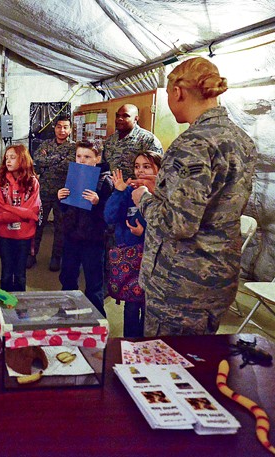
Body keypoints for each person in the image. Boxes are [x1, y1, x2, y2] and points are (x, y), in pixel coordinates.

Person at [131, 57, 256, 336]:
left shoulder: (193, 143)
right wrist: (163, 188)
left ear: (177, 92)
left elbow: (178, 224)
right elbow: (216, 201)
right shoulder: (242, 139)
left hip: (179, 286)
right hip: (215, 280)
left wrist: (143, 198)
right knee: (199, 365)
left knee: (169, 370)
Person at [104, 151, 162, 337]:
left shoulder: (164, 194)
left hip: (155, 261)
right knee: (131, 307)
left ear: (159, 169)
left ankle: (147, 346)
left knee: (149, 308)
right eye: (137, 166)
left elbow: (170, 228)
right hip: (129, 261)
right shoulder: (128, 190)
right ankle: (129, 345)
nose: (140, 171)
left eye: (146, 166)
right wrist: (119, 191)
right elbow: (109, 217)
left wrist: (144, 233)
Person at [58, 141, 114, 316]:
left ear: (97, 158)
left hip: (93, 240)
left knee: (94, 282)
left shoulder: (106, 181)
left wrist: (98, 203)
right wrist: (61, 199)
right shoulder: (73, 176)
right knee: (67, 276)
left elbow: (110, 215)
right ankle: (67, 313)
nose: (82, 160)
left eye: (87, 157)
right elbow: (66, 209)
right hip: (71, 236)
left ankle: (97, 317)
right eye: (79, 156)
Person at [0, 144, 41, 292]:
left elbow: (33, 209)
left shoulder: (32, 182)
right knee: (6, 273)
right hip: (5, 233)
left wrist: (7, 214)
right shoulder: (0, 181)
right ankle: (3, 308)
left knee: (20, 274)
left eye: (12, 157)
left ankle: (20, 308)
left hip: (24, 234)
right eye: (6, 157)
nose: (8, 161)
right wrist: (22, 214)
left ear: (22, 159)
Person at [30, 115, 76, 271]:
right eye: (59, 127)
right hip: (44, 192)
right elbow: (37, 161)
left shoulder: (74, 148)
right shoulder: (45, 144)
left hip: (64, 193)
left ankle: (56, 257)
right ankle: (32, 254)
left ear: (70, 129)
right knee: (38, 223)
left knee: (60, 227)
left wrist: (48, 159)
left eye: (65, 127)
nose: (62, 130)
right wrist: (58, 158)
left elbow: (68, 165)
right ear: (54, 128)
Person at [103, 104, 163, 181]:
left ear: (136, 119)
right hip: (113, 188)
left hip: (136, 188)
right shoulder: (110, 140)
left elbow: (158, 169)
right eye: (118, 116)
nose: (120, 119)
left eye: (125, 116)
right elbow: (104, 165)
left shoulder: (147, 139)